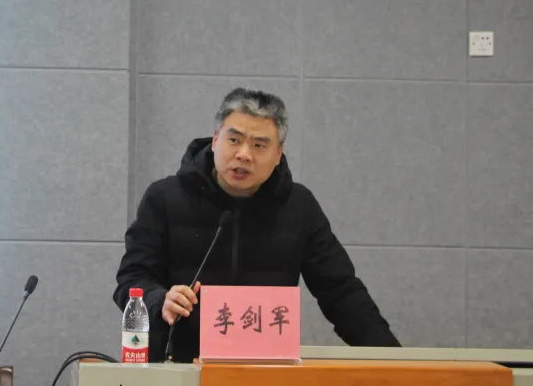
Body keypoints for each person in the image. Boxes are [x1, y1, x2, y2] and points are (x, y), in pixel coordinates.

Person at [114, 87, 400, 362]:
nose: (244, 154)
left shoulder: (299, 206)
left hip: (266, 371)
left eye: (259, 145)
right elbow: (132, 280)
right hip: (179, 365)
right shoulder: (165, 198)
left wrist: (395, 361)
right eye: (234, 140)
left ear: (278, 154)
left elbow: (341, 292)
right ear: (215, 140)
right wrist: (160, 300)